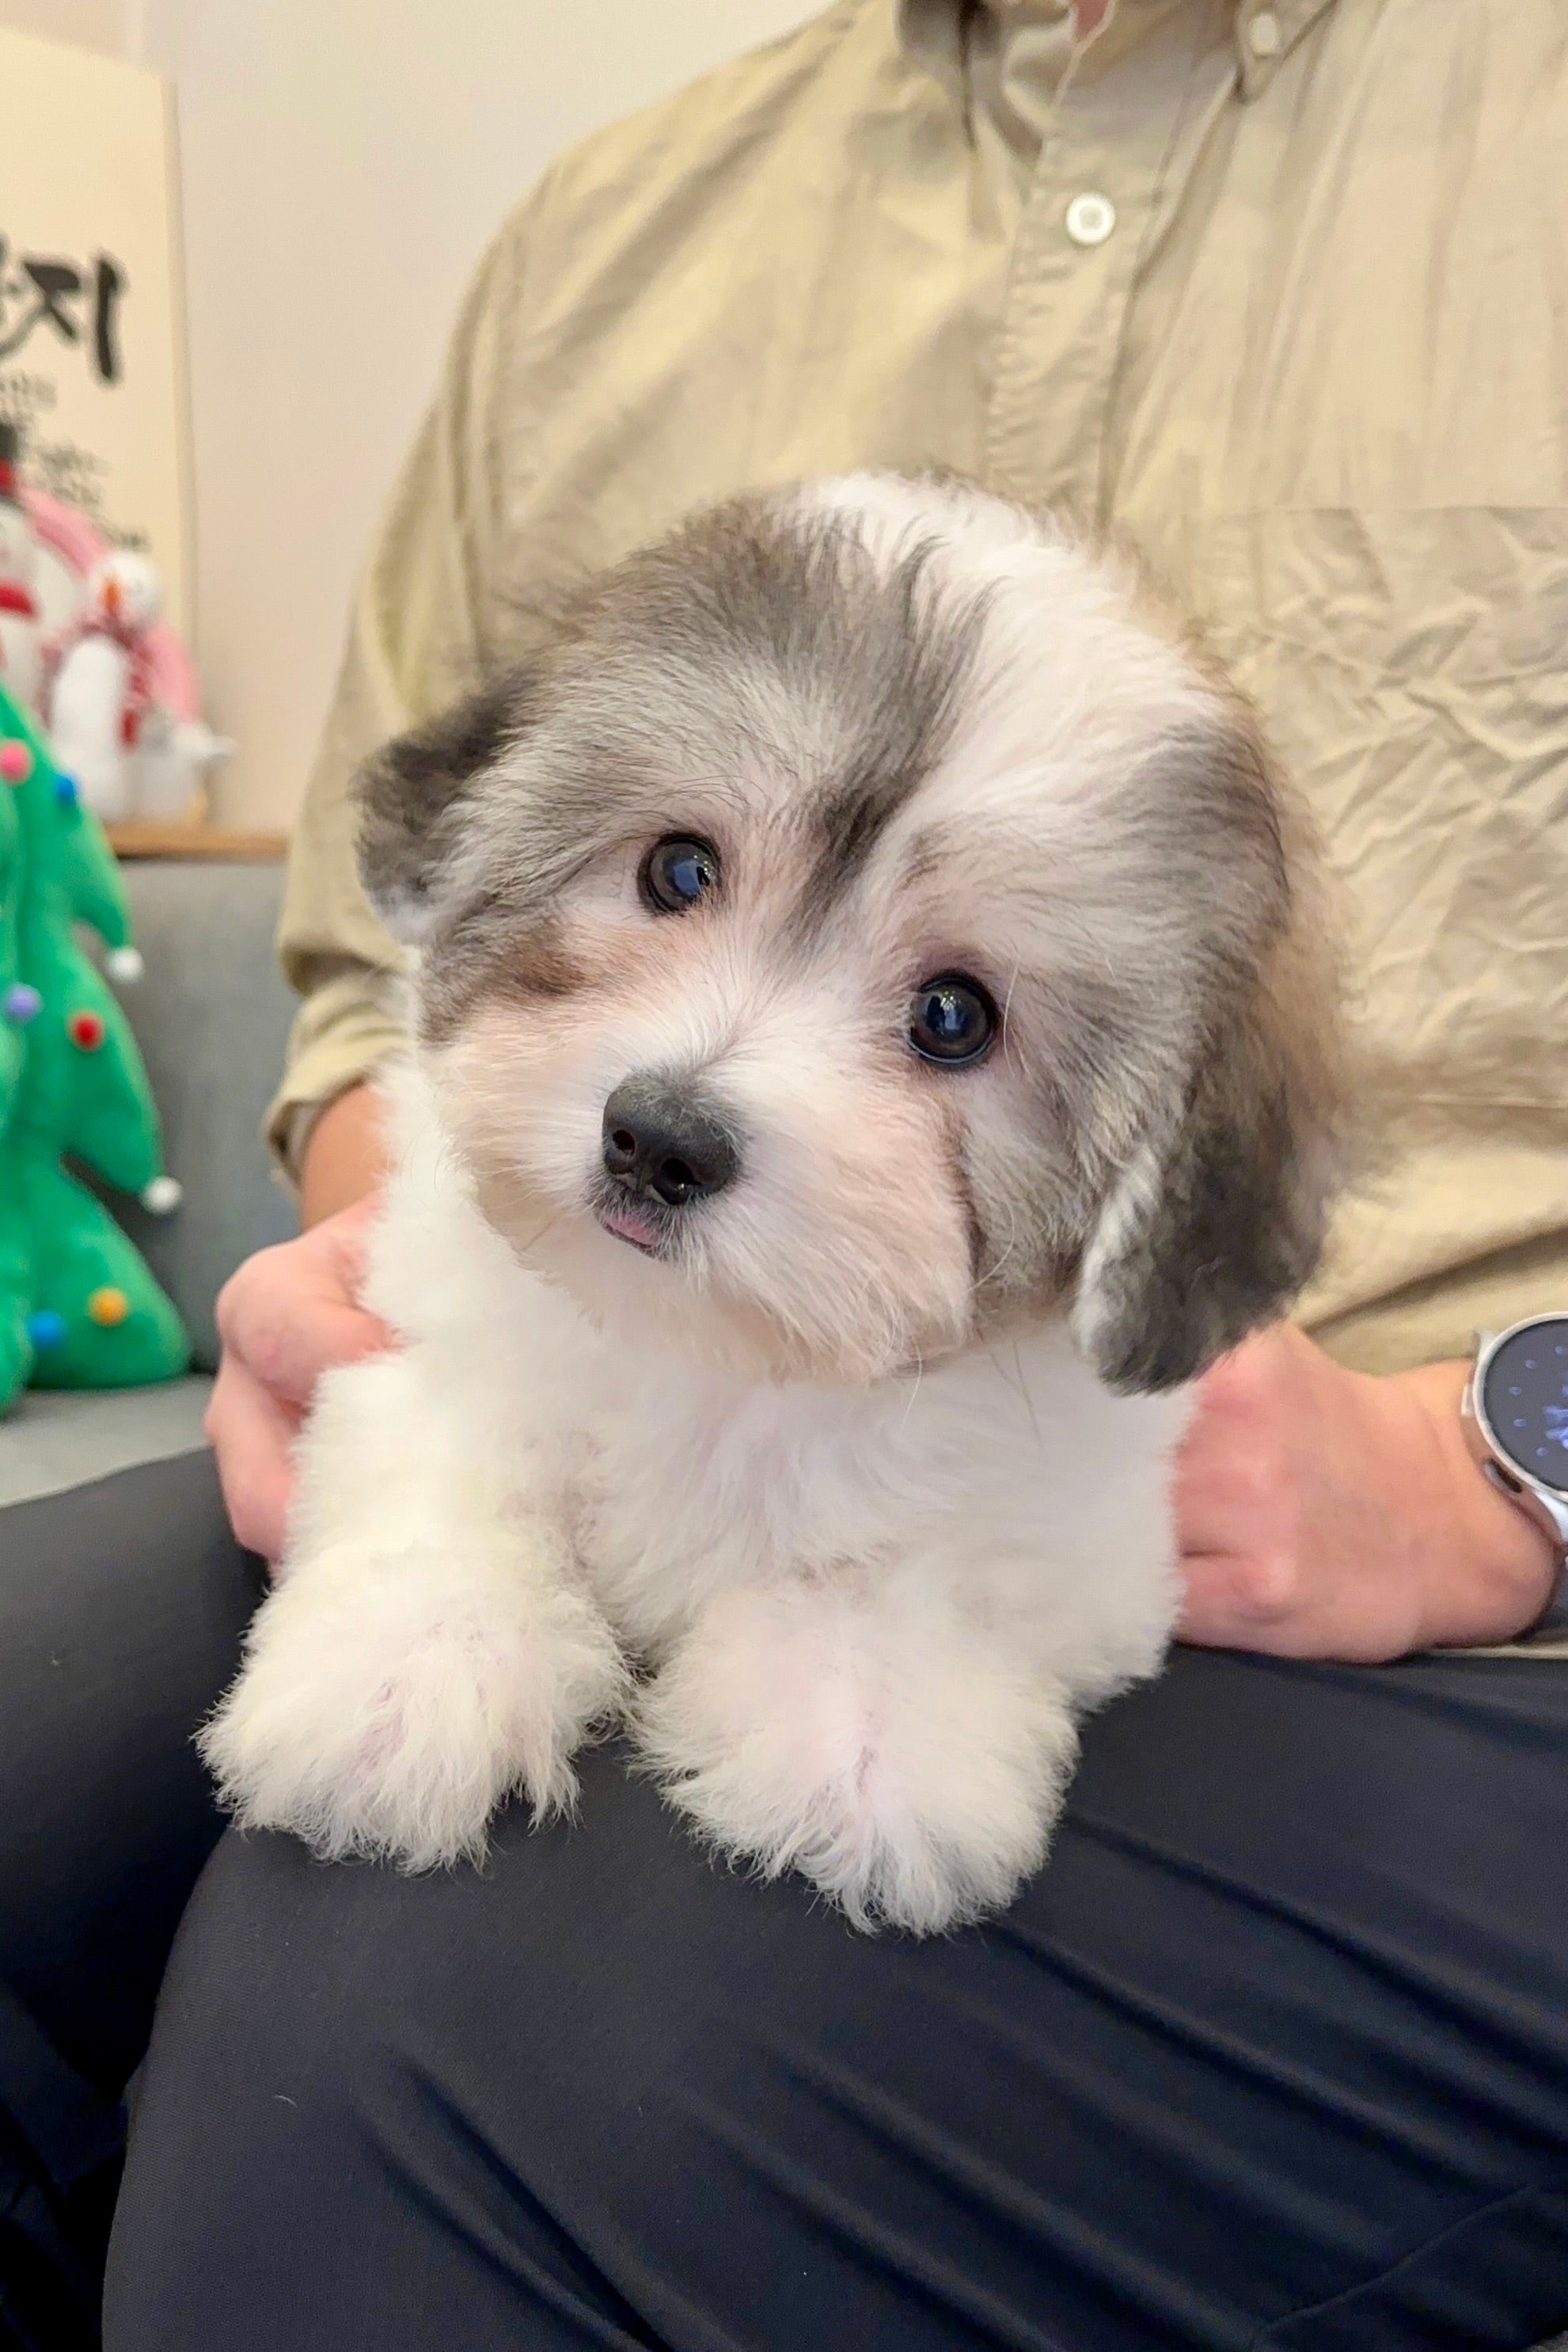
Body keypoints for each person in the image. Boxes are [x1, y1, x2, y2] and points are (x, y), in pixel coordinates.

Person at [100, 1, 1568, 2343]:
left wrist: (1506, 1458)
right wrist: (417, 1348)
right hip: (538, 1359)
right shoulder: (616, 221)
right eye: (684, 871)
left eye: (949, 1017)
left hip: (1411, 1592)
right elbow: (397, 920)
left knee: (386, 2047)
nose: (708, 1059)